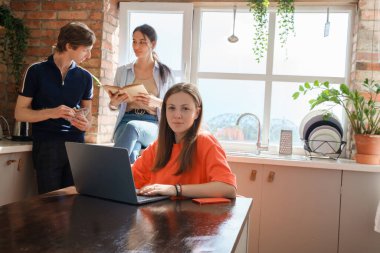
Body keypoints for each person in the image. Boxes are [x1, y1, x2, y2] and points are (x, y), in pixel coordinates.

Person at [14, 22, 96, 194]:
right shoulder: (36, 71)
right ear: (68, 46)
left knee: (74, 205)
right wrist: (52, 112)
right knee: (48, 205)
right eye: (85, 49)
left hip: (77, 147)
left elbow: (88, 114)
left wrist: (86, 123)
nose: (89, 55)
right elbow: (19, 113)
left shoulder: (86, 77)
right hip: (47, 145)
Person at [132, 83, 237, 198]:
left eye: (185, 109)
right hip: (161, 212)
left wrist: (175, 189)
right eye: (171, 108)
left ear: (196, 113)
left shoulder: (205, 141)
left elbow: (228, 188)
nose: (177, 115)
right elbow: (130, 178)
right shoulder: (157, 146)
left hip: (195, 214)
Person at [107, 24, 174, 163]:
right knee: (131, 154)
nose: (136, 46)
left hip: (152, 123)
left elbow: (173, 105)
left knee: (133, 127)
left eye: (142, 42)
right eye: (134, 41)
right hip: (125, 121)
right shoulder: (122, 71)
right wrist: (114, 103)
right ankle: (125, 184)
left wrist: (155, 101)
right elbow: (114, 106)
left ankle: (106, 172)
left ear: (153, 44)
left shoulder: (165, 73)